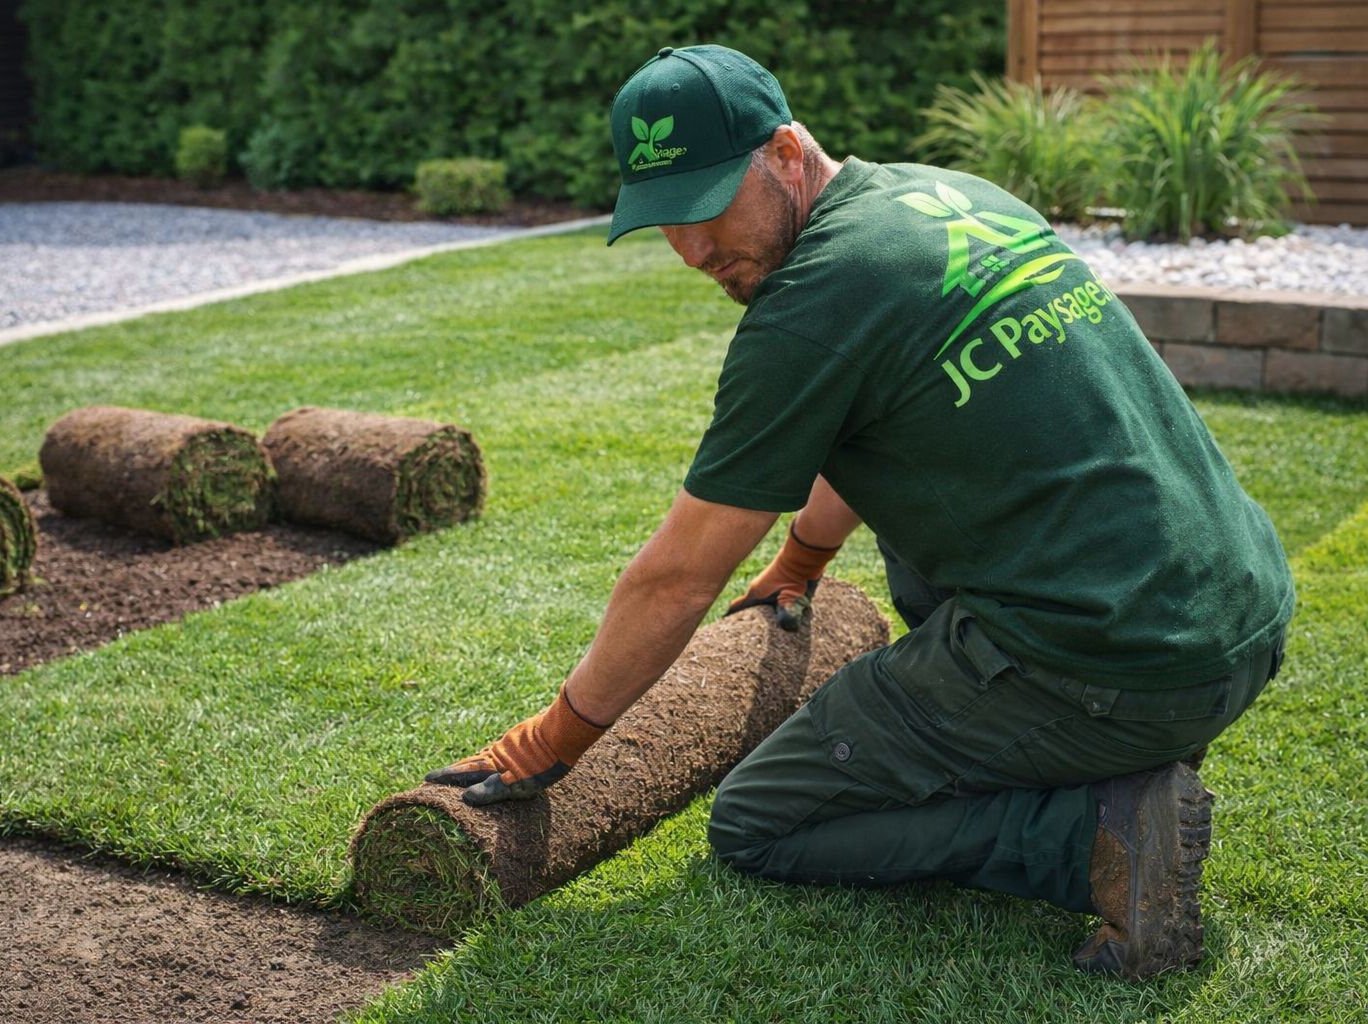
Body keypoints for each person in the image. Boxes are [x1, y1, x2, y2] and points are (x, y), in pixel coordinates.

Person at [425, 44, 1293, 981]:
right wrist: (800, 561)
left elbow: (680, 576)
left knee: (761, 820)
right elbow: (871, 426)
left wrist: (551, 742)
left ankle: (1093, 831)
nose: (692, 249)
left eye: (709, 204)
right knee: (920, 563)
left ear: (787, 154)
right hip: (1236, 615)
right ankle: (1098, 752)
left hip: (1122, 665)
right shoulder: (947, 196)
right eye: (664, 220)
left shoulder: (812, 305)